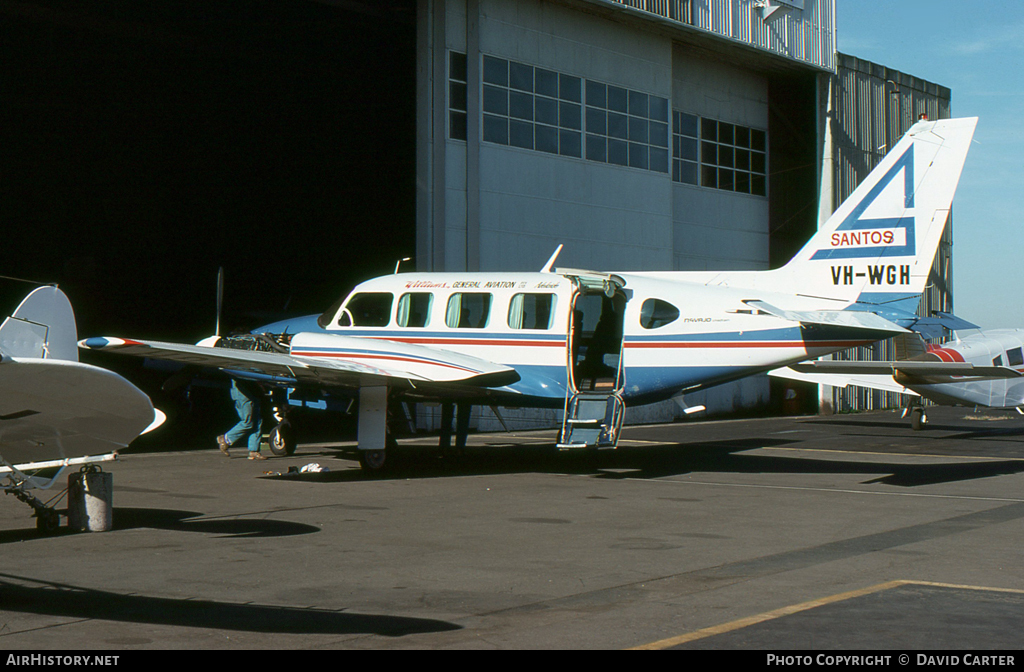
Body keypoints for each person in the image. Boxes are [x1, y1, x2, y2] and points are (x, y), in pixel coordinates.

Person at [217, 379, 266, 460]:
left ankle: (254, 451)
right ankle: (226, 439)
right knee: (247, 422)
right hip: (244, 393)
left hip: (253, 392)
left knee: (257, 422)